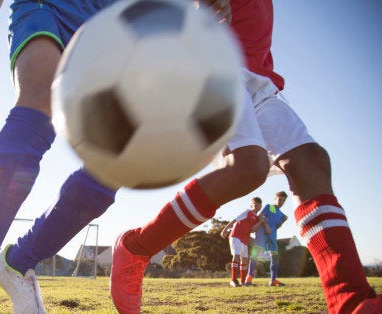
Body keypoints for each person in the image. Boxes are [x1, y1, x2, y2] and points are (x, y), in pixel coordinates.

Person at [0, 1, 233, 313]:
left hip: (112, 29)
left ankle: (20, 261)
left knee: (116, 164)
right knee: (36, 110)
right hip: (48, 7)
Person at [109, 1, 381, 313]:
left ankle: (350, 299)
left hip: (258, 78)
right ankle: (136, 248)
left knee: (310, 162)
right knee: (248, 166)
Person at [220, 196, 268, 287]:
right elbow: (235, 220)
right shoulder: (248, 212)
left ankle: (243, 282)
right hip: (236, 236)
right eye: (255, 205)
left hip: (244, 239)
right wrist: (225, 229)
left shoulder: (257, 218)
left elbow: (253, 230)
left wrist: (261, 222)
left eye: (259, 205)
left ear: (260, 207)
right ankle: (233, 280)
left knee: (245, 259)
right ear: (251, 205)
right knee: (236, 256)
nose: (257, 207)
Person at [246, 191, 287, 286]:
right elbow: (260, 216)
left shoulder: (281, 214)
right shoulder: (270, 207)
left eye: (283, 201)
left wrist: (283, 221)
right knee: (255, 255)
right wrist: (266, 226)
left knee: (275, 257)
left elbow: (276, 226)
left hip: (272, 236)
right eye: (279, 199)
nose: (281, 202)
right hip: (262, 233)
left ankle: (273, 280)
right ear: (275, 199)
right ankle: (249, 279)